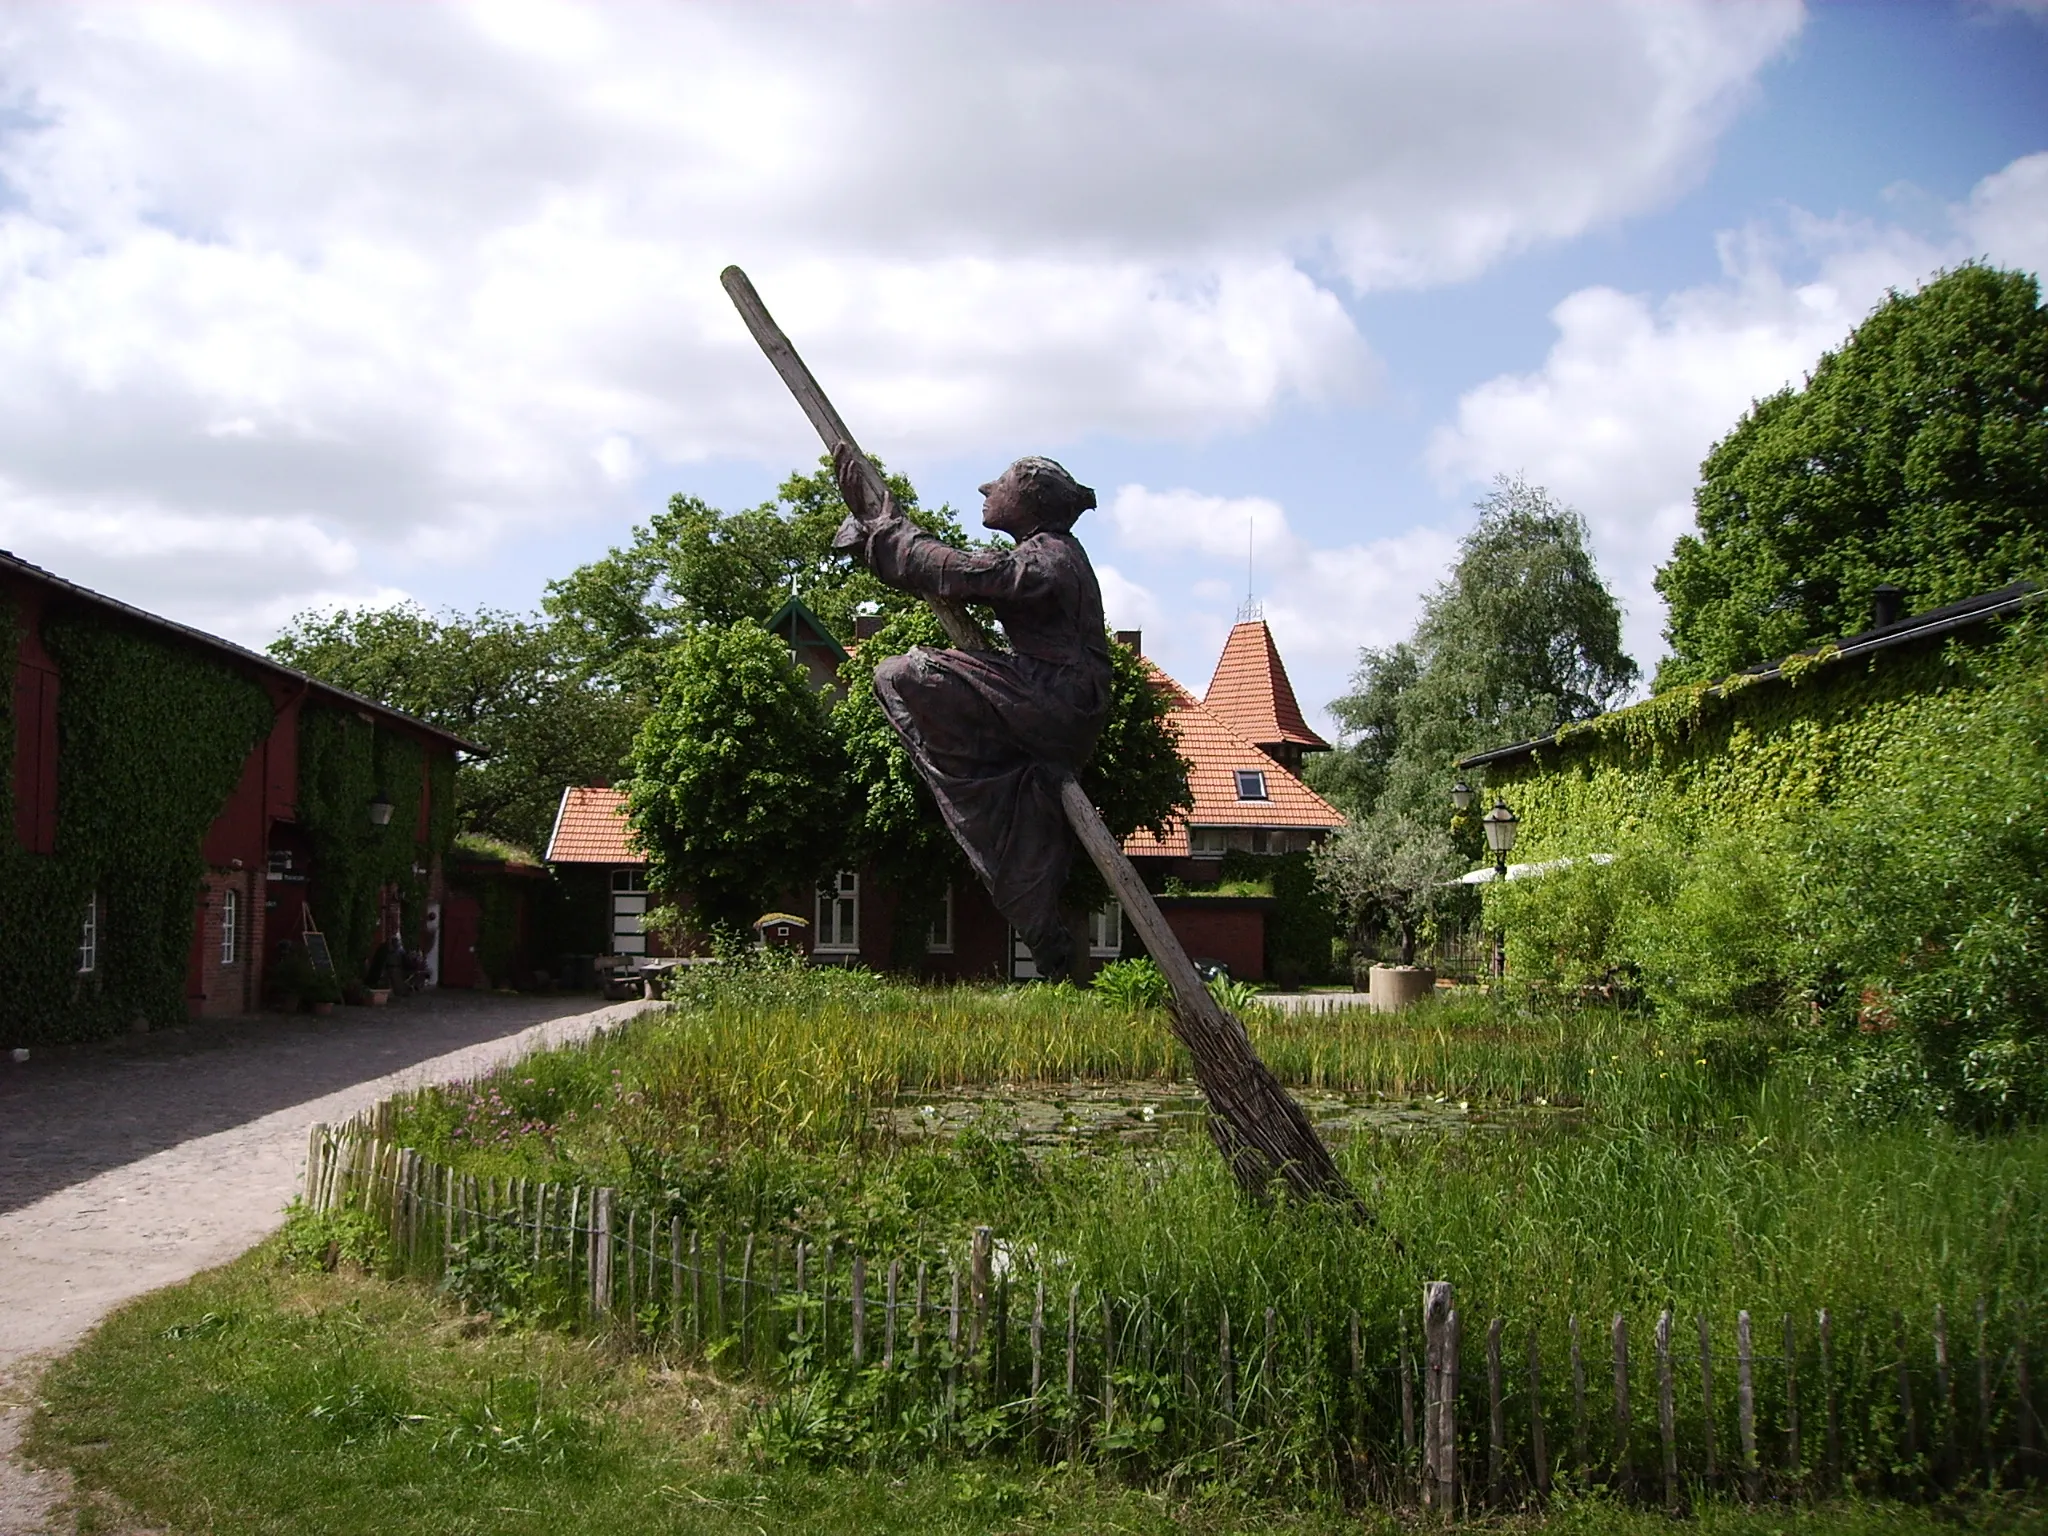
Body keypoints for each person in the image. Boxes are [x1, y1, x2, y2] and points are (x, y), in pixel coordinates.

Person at [832, 443, 1111, 982]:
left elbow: (970, 574)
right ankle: (1003, 809)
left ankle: (983, 778)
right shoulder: (1046, 553)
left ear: (1028, 501)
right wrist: (879, 538)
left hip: (1058, 702)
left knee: (902, 675)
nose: (986, 489)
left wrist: (888, 533)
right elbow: (963, 573)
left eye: (1000, 483)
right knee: (901, 680)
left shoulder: (1050, 557)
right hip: (1048, 698)